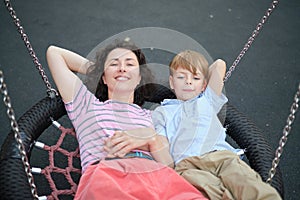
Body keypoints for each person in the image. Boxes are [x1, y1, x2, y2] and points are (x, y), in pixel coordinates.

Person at [46, 40, 207, 199]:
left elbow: (168, 165)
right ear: (103, 78)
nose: (122, 68)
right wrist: (97, 70)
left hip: (156, 176)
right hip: (108, 174)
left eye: (130, 64)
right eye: (114, 64)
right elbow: (55, 53)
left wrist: (151, 138)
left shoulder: (155, 116)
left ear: (139, 79)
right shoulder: (87, 105)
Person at [151, 50, 282, 200]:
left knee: (247, 183)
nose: (188, 81)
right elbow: (161, 142)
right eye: (181, 77)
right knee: (214, 193)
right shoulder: (163, 111)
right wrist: (170, 170)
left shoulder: (207, 100)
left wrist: (202, 77)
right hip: (188, 163)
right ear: (171, 82)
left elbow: (219, 65)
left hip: (221, 156)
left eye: (195, 78)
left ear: (204, 85)